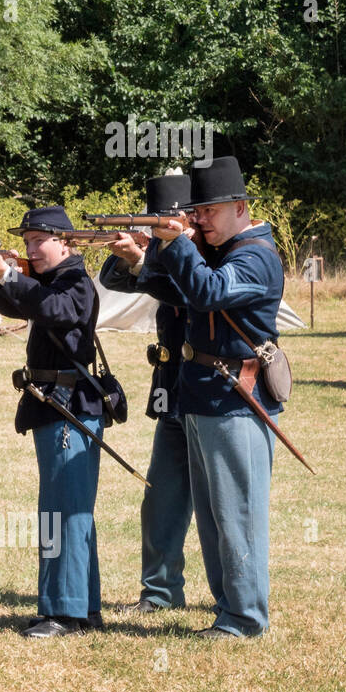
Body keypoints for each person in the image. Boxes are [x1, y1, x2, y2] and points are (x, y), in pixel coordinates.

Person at [142, 156, 283, 638]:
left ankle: (245, 617)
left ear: (241, 207)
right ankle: (230, 609)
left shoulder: (256, 255)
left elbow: (206, 291)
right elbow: (169, 285)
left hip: (234, 398)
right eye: (196, 212)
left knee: (237, 516)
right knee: (213, 519)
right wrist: (145, 254)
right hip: (203, 395)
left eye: (209, 211)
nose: (199, 218)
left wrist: (179, 242)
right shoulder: (223, 247)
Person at [0, 206, 103, 638]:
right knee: (68, 511)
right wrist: (4, 270)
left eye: (39, 241)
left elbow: (55, 309)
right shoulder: (45, 280)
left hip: (69, 402)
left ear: (65, 242)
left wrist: (13, 275)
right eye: (27, 241)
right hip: (52, 404)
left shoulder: (75, 281)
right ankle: (82, 607)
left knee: (63, 514)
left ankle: (64, 613)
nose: (32, 247)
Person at [100, 174, 194, 614]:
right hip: (174, 382)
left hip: (211, 388)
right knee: (161, 498)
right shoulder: (160, 247)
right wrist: (130, 255)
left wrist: (142, 261)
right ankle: (159, 592)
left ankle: (237, 603)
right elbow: (115, 281)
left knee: (221, 507)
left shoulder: (206, 248)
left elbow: (184, 289)